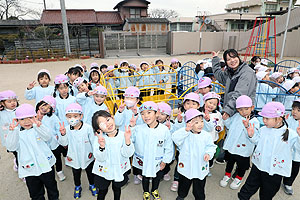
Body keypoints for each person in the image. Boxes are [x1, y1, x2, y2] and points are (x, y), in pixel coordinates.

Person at [238, 102, 300, 200]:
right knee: (248, 187)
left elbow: (298, 148)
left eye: (267, 118)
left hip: (275, 171)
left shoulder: (291, 134)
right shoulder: (263, 130)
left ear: (279, 118)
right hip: (259, 166)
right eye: (263, 118)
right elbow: (257, 141)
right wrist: (251, 135)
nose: (264, 121)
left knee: (267, 193)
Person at [6, 104, 59, 200]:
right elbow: (11, 147)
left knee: (52, 187)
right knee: (35, 193)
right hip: (29, 169)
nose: (26, 121)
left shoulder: (38, 127)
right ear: (17, 120)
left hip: (45, 165)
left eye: (30, 117)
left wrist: (38, 126)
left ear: (35, 117)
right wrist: (13, 131)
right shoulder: (16, 132)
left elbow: (47, 137)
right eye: (22, 119)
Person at [130, 101, 174, 200]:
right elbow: (130, 140)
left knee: (157, 176)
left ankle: (154, 190)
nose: (145, 116)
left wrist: (165, 161)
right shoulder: (138, 129)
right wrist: (132, 127)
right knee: (145, 176)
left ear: (156, 113)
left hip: (158, 160)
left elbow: (168, 147)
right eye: (142, 113)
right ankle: (145, 192)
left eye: (149, 112)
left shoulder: (164, 130)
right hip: (144, 159)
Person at [172, 109, 216, 200]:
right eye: (196, 122)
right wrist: (185, 130)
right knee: (184, 183)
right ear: (188, 123)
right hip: (186, 166)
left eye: (201, 121)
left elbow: (211, 146)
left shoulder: (206, 135)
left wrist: (208, 153)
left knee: (199, 185)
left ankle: (199, 197)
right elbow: (175, 138)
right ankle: (181, 195)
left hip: (200, 165)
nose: (200, 124)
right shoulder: (185, 134)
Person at [91, 110, 134, 200]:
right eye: (102, 124)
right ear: (99, 129)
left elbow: (128, 154)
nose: (108, 124)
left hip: (119, 169)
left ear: (112, 118)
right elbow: (100, 158)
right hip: (103, 170)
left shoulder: (123, 135)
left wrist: (127, 141)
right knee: (102, 190)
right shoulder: (99, 139)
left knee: (117, 188)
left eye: (108, 119)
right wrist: (102, 147)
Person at [58, 103, 97, 199]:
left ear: (81, 116)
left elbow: (93, 141)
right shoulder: (66, 129)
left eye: (75, 116)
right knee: (76, 172)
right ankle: (77, 186)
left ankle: (92, 185)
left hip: (87, 154)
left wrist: (95, 154)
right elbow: (64, 143)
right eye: (69, 116)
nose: (72, 119)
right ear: (66, 117)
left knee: (90, 171)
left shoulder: (87, 128)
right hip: (73, 156)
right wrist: (63, 134)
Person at [220, 95, 259, 190]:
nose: (243, 111)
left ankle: (238, 178)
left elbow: (255, 139)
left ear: (252, 108)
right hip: (232, 146)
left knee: (242, 165)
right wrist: (226, 120)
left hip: (243, 149)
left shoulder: (254, 121)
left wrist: (249, 131)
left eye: (246, 108)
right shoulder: (236, 116)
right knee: (230, 162)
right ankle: (227, 175)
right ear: (237, 109)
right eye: (240, 109)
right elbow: (229, 126)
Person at [212, 49, 257, 121]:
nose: (232, 60)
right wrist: (215, 59)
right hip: (232, 111)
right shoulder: (231, 72)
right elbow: (219, 75)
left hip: (242, 112)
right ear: (226, 62)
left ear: (238, 57)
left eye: (234, 57)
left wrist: (228, 110)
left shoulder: (247, 72)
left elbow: (239, 93)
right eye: (229, 59)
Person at [35, 95, 67, 182]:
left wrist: (60, 135)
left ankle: (59, 171)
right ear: (39, 104)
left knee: (57, 158)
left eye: (49, 107)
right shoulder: (33, 117)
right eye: (44, 105)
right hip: (41, 144)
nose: (45, 108)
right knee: (45, 158)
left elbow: (58, 128)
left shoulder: (53, 117)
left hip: (53, 143)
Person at [200, 92, 224, 173]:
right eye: (210, 102)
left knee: (210, 153)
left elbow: (221, 124)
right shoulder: (199, 112)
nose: (211, 105)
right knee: (200, 153)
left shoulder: (218, 114)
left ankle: (208, 166)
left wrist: (219, 128)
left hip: (212, 138)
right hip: (200, 138)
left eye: (214, 104)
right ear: (204, 101)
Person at [283, 99, 300, 195]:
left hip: (297, 152)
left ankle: (288, 183)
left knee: (294, 169)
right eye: (293, 109)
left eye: (298, 110)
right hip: (286, 148)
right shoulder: (289, 118)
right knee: (283, 163)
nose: (294, 112)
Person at [0, 90, 18, 171]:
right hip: (9, 138)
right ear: (3, 103)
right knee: (16, 153)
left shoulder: (19, 110)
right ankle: (18, 164)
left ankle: (20, 167)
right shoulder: (1, 113)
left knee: (21, 154)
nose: (13, 103)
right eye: (9, 101)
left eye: (14, 100)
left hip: (20, 137)